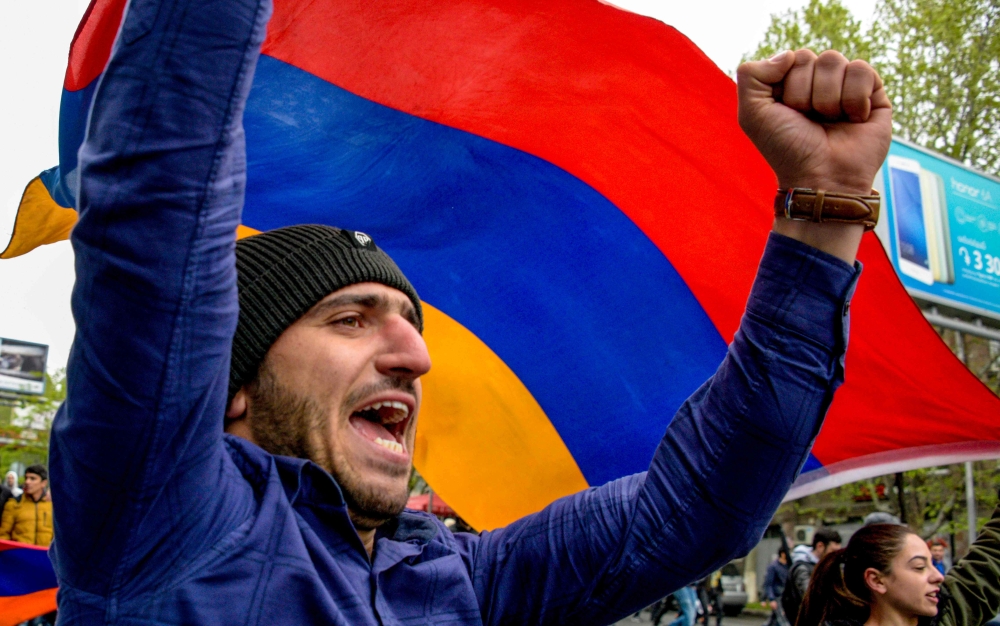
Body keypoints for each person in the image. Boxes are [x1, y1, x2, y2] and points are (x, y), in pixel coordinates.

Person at [48, 0, 891, 622]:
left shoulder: (472, 581)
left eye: (410, 327)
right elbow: (158, 200)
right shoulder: (158, 516)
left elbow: (705, 502)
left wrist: (826, 209)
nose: (414, 359)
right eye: (349, 318)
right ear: (231, 382)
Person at [796, 504, 1000, 626]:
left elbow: (991, 556)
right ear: (876, 580)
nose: (938, 576)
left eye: (931, 563)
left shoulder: (946, 615)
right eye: (919, 567)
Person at [784, 529, 843, 622]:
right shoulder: (802, 568)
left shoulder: (828, 566)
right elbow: (810, 597)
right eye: (833, 551)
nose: (835, 556)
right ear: (820, 546)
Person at [0, 465, 52, 547]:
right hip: (19, 556)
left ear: (43, 483)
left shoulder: (52, 506)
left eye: (32, 478)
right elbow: (3, 534)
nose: (27, 482)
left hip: (45, 557)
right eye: (26, 478)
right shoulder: (14, 504)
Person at [764, 548, 791, 626]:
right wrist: (771, 599)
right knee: (783, 620)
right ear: (782, 554)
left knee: (774, 621)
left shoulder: (788, 566)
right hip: (777, 597)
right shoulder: (773, 566)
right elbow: (768, 584)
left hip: (786, 597)